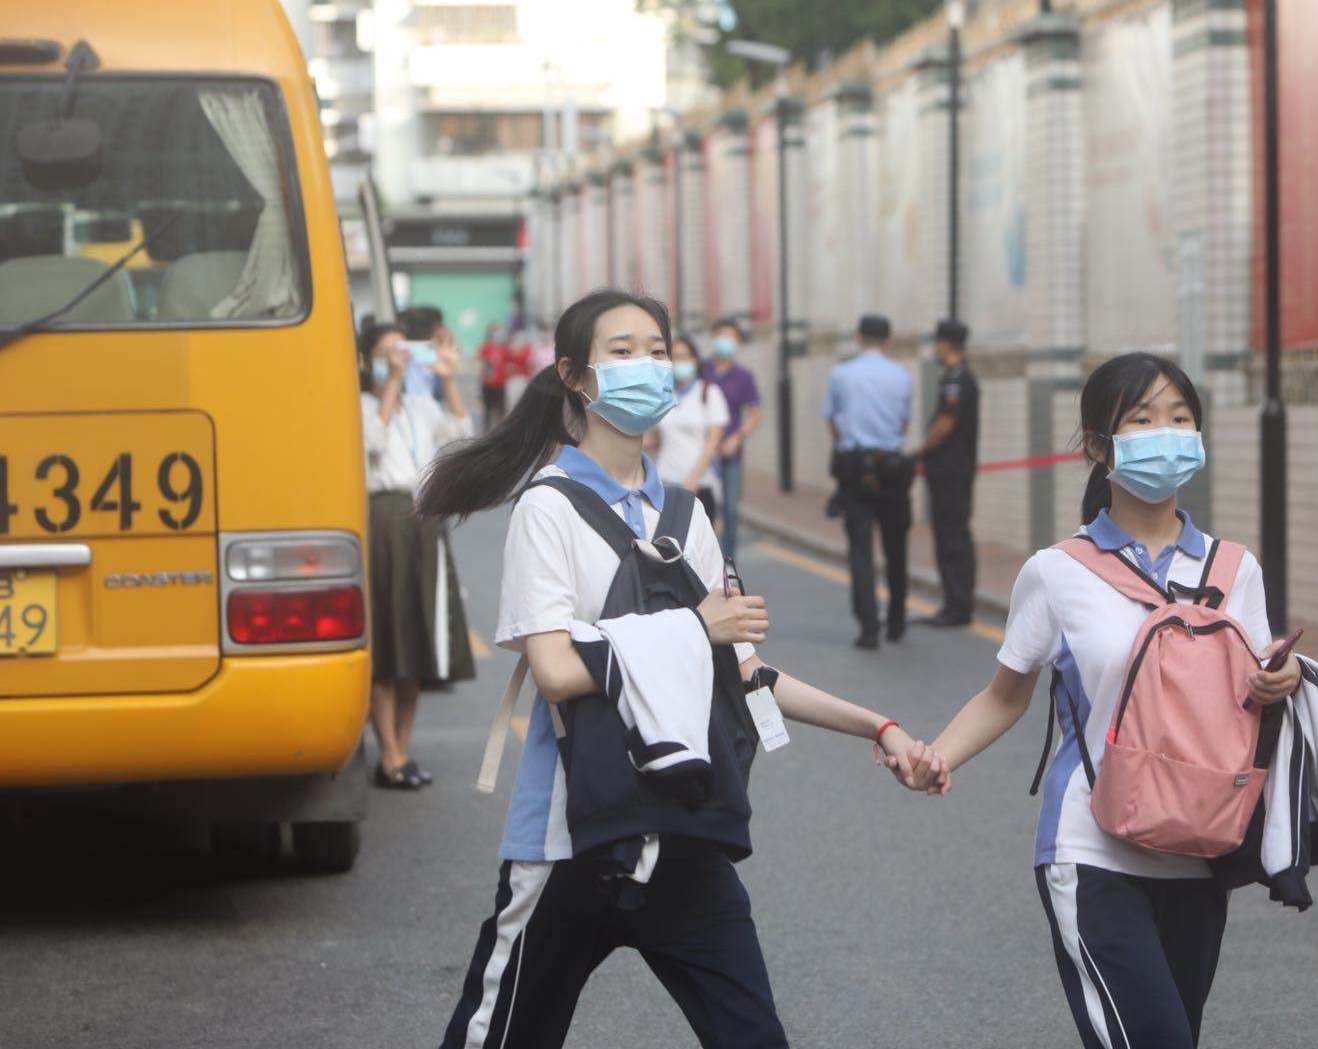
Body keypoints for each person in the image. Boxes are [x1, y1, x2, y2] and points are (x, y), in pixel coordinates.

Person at [415, 288, 948, 1049]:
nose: (648, 366)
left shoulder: (687, 516)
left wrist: (879, 726)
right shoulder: (547, 509)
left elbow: (746, 673)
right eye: (623, 351)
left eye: (659, 351)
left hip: (683, 825)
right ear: (573, 374)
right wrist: (696, 626)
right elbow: (555, 670)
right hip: (570, 838)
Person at [902, 353, 1304, 1049]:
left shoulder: (1235, 570)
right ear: (1097, 445)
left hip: (1200, 846)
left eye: (1180, 418)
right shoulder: (1057, 573)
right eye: (1142, 420)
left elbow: (1255, 687)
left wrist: (1282, 680)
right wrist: (937, 756)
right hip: (1090, 848)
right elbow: (1004, 697)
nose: (1166, 434)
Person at [357, 317, 477, 789]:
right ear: (367, 360)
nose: (399, 360)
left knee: (416, 641)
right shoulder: (361, 405)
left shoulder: (422, 406)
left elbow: (463, 435)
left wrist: (448, 378)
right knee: (387, 640)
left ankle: (401, 752)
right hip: (383, 518)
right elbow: (371, 445)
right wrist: (390, 383)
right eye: (387, 353)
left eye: (402, 350)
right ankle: (388, 753)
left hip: (424, 518)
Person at [822, 313, 914, 650]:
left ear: (859, 338)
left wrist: (848, 443)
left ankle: (869, 629)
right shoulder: (902, 376)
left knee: (860, 551)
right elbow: (903, 424)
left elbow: (832, 421)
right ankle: (897, 622)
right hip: (892, 469)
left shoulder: (841, 374)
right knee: (896, 547)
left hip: (855, 469)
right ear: (888, 340)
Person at [917, 318, 980, 628]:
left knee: (952, 536)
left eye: (937, 343)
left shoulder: (957, 380)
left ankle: (958, 605)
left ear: (944, 344)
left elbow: (945, 424)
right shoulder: (958, 377)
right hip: (952, 471)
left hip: (951, 472)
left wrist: (921, 450)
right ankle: (954, 602)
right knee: (949, 534)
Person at [701, 317, 762, 558]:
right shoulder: (701, 370)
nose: (726, 341)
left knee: (730, 511)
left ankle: (728, 564)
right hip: (701, 454)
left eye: (731, 337)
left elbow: (755, 414)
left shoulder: (743, 376)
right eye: (722, 335)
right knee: (702, 511)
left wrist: (737, 438)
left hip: (730, 454)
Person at [651, 333, 730, 519]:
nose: (680, 362)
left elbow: (713, 443)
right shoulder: (663, 395)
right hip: (666, 481)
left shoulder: (709, 393)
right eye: (675, 358)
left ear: (695, 360)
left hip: (699, 485)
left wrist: (694, 478)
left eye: (685, 357)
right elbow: (654, 440)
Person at [477, 324, 511, 428]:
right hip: (488, 384)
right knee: (488, 410)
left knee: (500, 410)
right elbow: (481, 363)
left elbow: (508, 364)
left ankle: (500, 430)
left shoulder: (504, 349)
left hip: (500, 384)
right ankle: (486, 431)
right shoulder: (486, 347)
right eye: (495, 332)